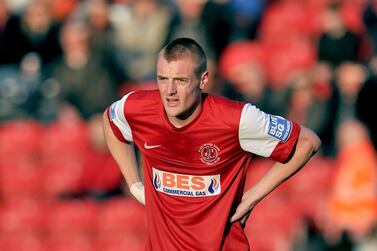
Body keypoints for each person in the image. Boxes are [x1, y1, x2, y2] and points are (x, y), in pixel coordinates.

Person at [102, 38, 321, 251]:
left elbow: (308, 142)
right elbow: (109, 119)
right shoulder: (138, 108)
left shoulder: (236, 119)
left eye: (180, 80)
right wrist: (134, 184)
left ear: (203, 80)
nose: (169, 91)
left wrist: (252, 198)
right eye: (162, 79)